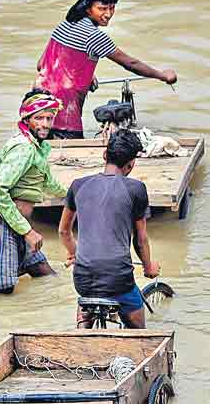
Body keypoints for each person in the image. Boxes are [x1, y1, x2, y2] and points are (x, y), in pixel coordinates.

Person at [36, 0, 178, 139]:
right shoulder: (94, 35)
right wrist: (163, 75)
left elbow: (42, 63)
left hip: (36, 102)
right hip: (63, 108)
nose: (108, 13)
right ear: (87, 8)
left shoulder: (66, 25)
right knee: (72, 150)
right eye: (102, 9)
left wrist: (86, 75)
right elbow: (130, 64)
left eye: (112, 8)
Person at [57, 129, 159, 328]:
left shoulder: (78, 185)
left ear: (105, 155)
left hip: (83, 279)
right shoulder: (136, 189)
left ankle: (83, 328)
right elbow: (141, 239)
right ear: (131, 164)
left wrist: (74, 253)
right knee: (139, 333)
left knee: (86, 299)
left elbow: (63, 231)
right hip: (119, 278)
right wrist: (148, 267)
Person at [0, 89, 67, 294]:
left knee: (46, 275)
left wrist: (78, 193)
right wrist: (27, 232)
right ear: (27, 118)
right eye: (39, 118)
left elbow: (48, 183)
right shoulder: (24, 148)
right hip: (5, 225)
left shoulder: (39, 147)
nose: (46, 124)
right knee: (4, 290)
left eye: (49, 118)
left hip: (21, 225)